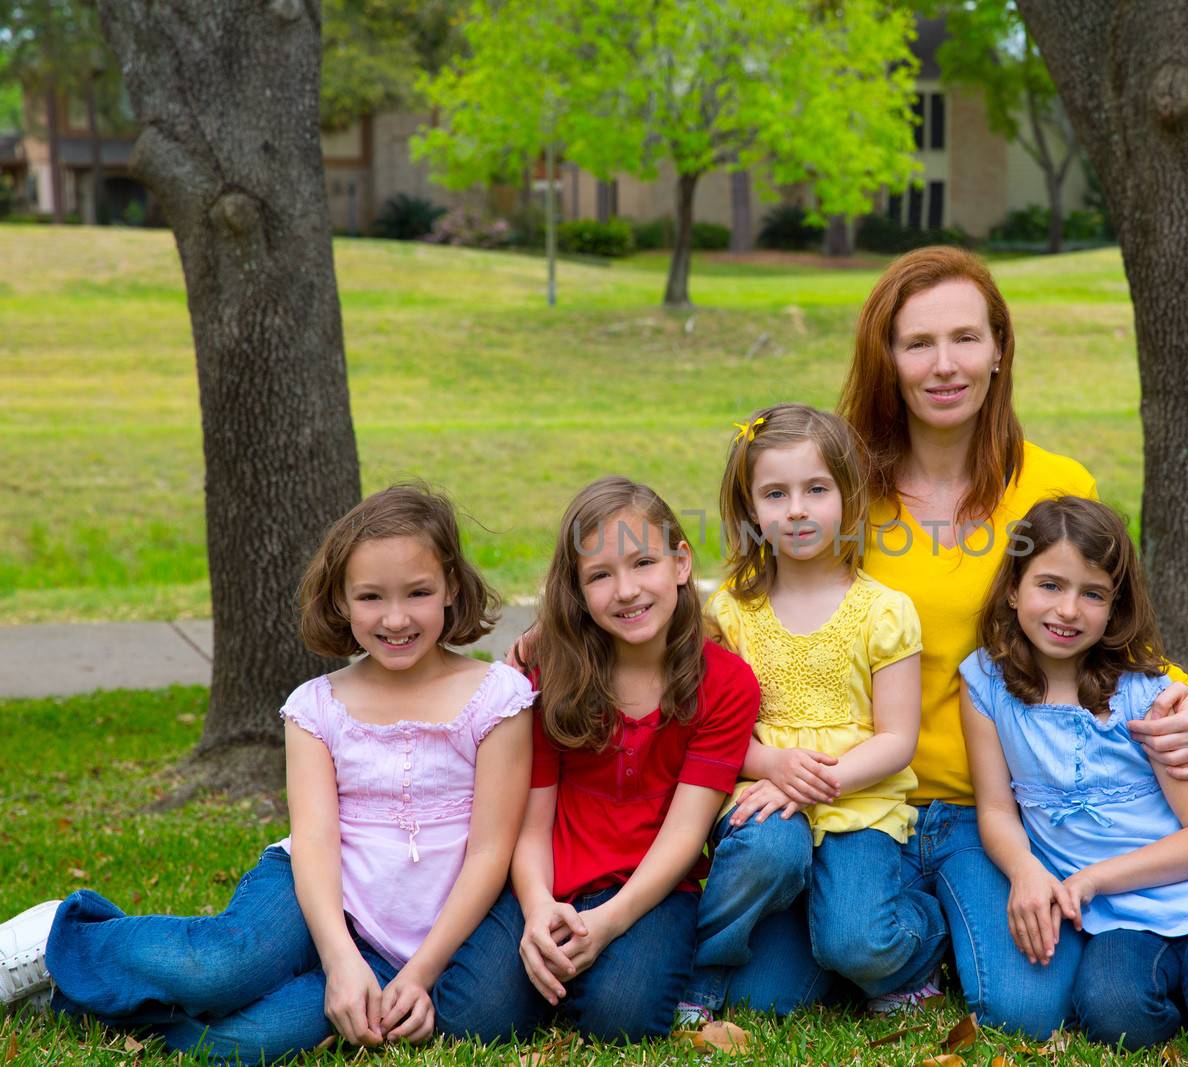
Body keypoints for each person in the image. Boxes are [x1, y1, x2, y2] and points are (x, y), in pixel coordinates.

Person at [834, 245, 1188, 1035]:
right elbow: (755, 614)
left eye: (966, 338)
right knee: (797, 974)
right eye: (918, 343)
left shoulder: (1055, 486)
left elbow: (1114, 637)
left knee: (1025, 1006)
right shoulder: (842, 487)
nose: (945, 365)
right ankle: (881, 925)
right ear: (888, 357)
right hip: (861, 798)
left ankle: (937, 918)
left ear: (1000, 348)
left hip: (996, 811)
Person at [0, 485, 536, 1061]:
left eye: (419, 592)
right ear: (341, 600)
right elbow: (315, 842)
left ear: (452, 587)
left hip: (410, 942)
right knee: (218, 970)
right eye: (371, 596)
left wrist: (419, 974)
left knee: (250, 1042)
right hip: (313, 893)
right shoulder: (317, 706)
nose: (396, 617)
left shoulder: (495, 697)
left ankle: (71, 997)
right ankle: (65, 934)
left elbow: (489, 852)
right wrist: (338, 959)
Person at [961, 496, 1188, 1065]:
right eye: (1050, 585)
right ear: (1013, 589)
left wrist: (1093, 878)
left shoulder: (1146, 693)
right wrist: (1026, 872)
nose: (1069, 610)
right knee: (1113, 1015)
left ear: (1116, 607)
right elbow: (997, 809)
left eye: (1093, 594)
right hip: (1117, 915)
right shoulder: (985, 683)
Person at [677, 404, 946, 1024]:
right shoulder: (732, 613)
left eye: (816, 489)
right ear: (750, 508)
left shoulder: (883, 610)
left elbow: (897, 738)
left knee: (855, 942)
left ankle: (919, 940)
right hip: (764, 798)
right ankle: (705, 971)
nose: (796, 509)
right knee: (761, 985)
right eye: (775, 493)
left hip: (859, 802)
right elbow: (714, 733)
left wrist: (820, 782)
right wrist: (773, 765)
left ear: (848, 498)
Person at [499, 477, 762, 1041]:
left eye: (643, 562)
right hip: (550, 878)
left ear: (682, 563)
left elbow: (686, 833)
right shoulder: (547, 677)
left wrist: (609, 921)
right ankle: (552, 960)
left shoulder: (726, 682)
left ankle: (595, 969)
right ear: (576, 592)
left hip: (651, 889)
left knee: (620, 1019)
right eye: (599, 576)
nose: (625, 590)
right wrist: (539, 907)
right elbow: (531, 822)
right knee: (479, 1015)